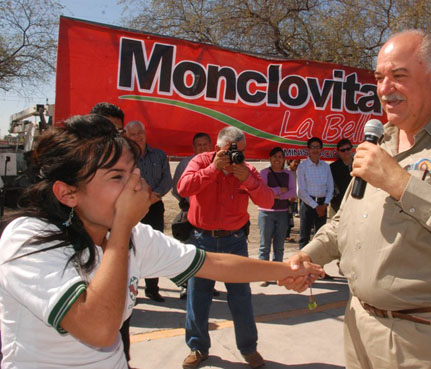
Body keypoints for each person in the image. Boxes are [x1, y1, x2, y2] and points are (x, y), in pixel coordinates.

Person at [279, 29, 431, 369]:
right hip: (360, 325)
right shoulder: (382, 142)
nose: (384, 89)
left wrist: (401, 183)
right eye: (379, 78)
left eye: (399, 76)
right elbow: (343, 220)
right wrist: (308, 254)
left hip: (428, 336)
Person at [0, 115, 323, 369]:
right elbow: (98, 329)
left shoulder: (131, 235)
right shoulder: (30, 238)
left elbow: (214, 263)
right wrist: (124, 228)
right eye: (116, 177)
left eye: (133, 172)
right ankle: (198, 347)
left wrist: (284, 269)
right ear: (67, 193)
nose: (136, 184)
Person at [177, 126, 277, 369]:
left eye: (241, 151)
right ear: (218, 148)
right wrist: (214, 169)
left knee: (240, 297)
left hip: (234, 241)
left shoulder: (247, 169)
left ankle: (249, 348)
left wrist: (249, 180)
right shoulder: (201, 161)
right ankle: (198, 347)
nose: (236, 156)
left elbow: (268, 200)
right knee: (197, 297)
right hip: (203, 241)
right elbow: (183, 188)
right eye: (231, 151)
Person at [125, 120, 172, 302]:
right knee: (130, 250)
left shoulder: (159, 155)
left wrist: (154, 197)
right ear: (126, 136)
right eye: (133, 134)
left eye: (140, 133)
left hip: (154, 207)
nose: (137, 137)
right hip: (131, 208)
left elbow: (166, 180)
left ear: (145, 134)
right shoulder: (123, 157)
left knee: (154, 248)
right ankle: (131, 291)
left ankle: (153, 288)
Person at [171, 132, 213, 299]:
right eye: (199, 145)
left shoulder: (218, 162)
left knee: (208, 252)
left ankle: (207, 285)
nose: (202, 148)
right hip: (190, 213)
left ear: (211, 146)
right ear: (194, 147)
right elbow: (176, 188)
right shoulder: (185, 164)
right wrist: (187, 202)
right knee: (189, 250)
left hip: (211, 214)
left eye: (205, 144)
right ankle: (185, 285)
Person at [257, 147, 296, 286]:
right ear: (270, 158)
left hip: (282, 213)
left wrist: (276, 195)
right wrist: (280, 191)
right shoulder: (264, 173)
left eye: (280, 156)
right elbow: (263, 191)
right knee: (264, 246)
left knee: (279, 246)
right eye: (275, 156)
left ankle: (278, 274)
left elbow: (292, 193)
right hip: (266, 213)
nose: (277, 159)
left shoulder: (288, 174)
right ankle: (264, 275)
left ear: (284, 159)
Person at [296, 137, 334, 249]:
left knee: (320, 237)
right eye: (313, 147)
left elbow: (330, 188)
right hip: (308, 204)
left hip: (323, 204)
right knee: (304, 237)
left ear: (321, 149)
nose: (315, 150)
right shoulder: (302, 167)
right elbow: (300, 191)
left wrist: (325, 204)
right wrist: (315, 206)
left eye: (318, 147)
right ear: (308, 150)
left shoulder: (326, 166)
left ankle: (318, 265)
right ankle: (302, 264)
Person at [329, 138, 354, 217]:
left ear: (352, 149)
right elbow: (330, 186)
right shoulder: (332, 168)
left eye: (348, 149)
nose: (346, 152)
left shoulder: (360, 165)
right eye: (343, 150)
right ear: (338, 152)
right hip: (337, 206)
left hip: (356, 205)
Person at [285, 158, 300, 242]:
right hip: (286, 199)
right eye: (295, 162)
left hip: (294, 199)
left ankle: (287, 235)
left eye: (298, 162)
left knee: (290, 219)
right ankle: (285, 235)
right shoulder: (285, 172)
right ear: (289, 162)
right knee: (285, 218)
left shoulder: (299, 172)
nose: (297, 164)